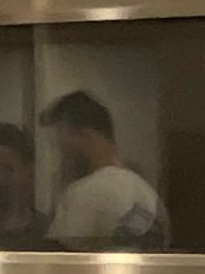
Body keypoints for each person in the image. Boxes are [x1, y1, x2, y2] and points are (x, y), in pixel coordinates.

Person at [38, 90, 169, 247]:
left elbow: (59, 262)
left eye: (61, 142)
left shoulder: (84, 194)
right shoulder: (148, 195)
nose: (61, 154)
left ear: (84, 135)